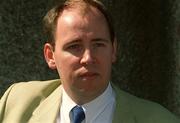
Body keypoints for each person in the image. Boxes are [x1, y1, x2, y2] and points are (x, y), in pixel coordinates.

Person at [0, 0, 179, 123]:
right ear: (50, 56)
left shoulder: (159, 119)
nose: (88, 58)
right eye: (75, 46)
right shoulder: (16, 103)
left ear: (114, 50)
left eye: (98, 44)